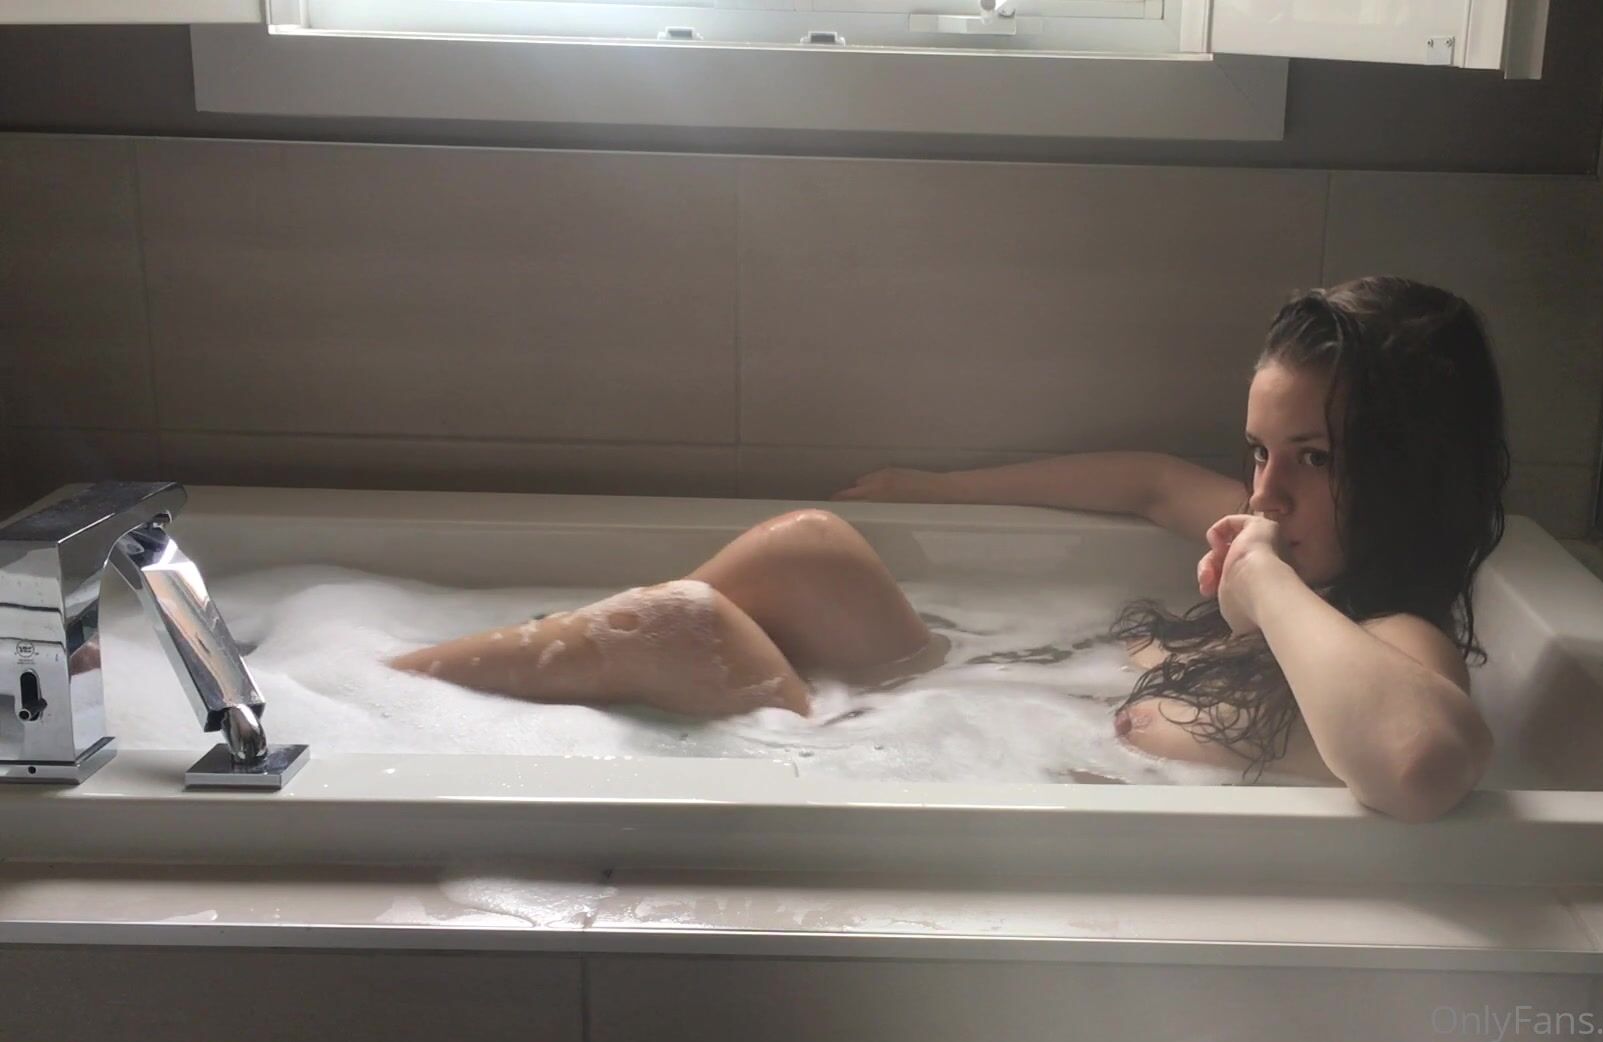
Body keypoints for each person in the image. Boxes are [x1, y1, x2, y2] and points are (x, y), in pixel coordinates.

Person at [391, 275, 1508, 822]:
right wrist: (935, 490)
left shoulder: (1387, 631)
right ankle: (404, 694)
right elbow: (1151, 482)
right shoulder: (1304, 541)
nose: (1265, 493)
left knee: (688, 628)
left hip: (923, 781)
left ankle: (401, 702)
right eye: (1259, 452)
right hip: (942, 714)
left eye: (1313, 457)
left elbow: (1421, 758)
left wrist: (1258, 581)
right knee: (811, 549)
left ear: (1412, 475)